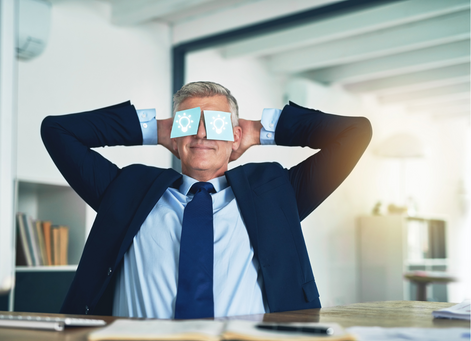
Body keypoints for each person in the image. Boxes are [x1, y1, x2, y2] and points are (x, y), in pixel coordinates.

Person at [41, 81, 372, 318]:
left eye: (215, 124)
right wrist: (157, 130)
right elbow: (57, 132)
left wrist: (258, 131)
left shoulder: (276, 193)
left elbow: (355, 134)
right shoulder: (127, 191)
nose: (201, 134)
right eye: (188, 123)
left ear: (234, 136)